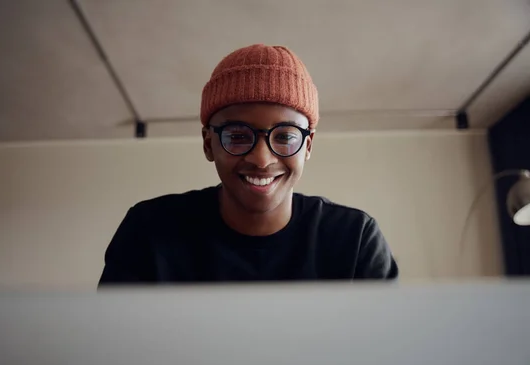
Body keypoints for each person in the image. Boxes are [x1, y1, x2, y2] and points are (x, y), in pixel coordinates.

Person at [99, 44, 398, 285]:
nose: (261, 158)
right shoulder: (150, 231)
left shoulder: (354, 239)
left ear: (307, 146)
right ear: (208, 143)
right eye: (238, 136)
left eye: (284, 136)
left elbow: (390, 351)